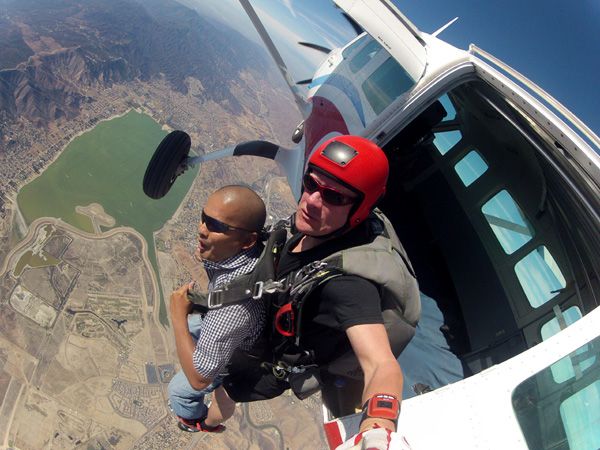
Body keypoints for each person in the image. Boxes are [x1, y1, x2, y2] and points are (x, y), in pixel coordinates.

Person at [222, 135, 420, 448]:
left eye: (334, 197)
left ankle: (203, 421)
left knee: (221, 392)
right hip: (261, 321)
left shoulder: (349, 286)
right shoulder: (319, 229)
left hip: (265, 364)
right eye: (311, 184)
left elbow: (381, 364)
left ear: (361, 208)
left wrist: (377, 429)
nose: (312, 200)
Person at [167, 185, 267, 433]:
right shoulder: (244, 253)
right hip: (246, 328)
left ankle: (197, 422)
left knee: (179, 393)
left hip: (241, 353)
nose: (202, 230)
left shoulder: (232, 311)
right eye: (204, 218)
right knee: (191, 329)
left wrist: (177, 315)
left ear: (248, 240)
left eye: (217, 226)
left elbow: (200, 379)